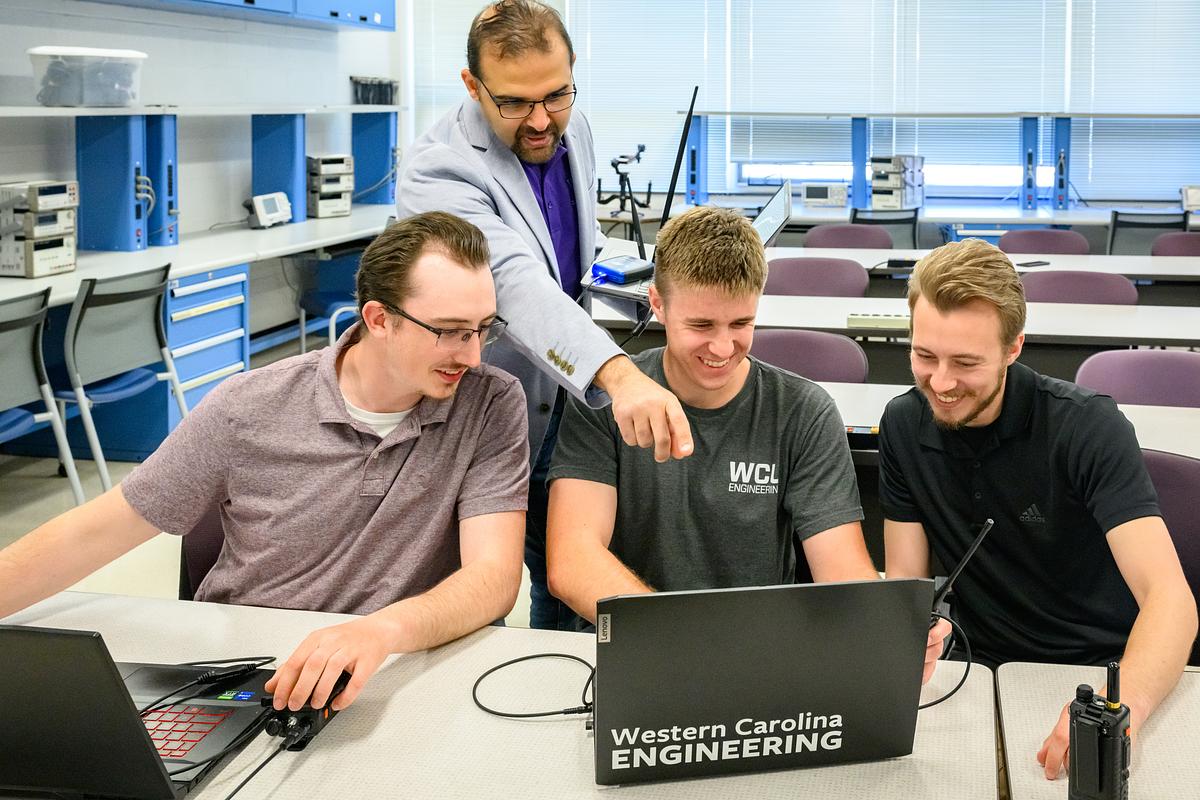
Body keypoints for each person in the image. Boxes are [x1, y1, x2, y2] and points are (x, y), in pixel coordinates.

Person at [0, 212, 530, 713]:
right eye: (450, 331)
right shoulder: (247, 408)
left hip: (399, 665)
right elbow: (94, 533)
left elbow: (493, 578)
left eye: (485, 328)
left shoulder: (489, 402)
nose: (474, 355)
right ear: (379, 319)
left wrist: (381, 630)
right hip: (255, 669)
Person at [545, 205, 949, 682]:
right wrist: (688, 642)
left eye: (741, 324)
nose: (722, 349)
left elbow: (841, 571)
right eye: (701, 326)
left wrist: (887, 629)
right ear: (656, 303)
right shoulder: (608, 401)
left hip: (760, 660)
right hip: (637, 651)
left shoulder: (802, 411)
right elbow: (571, 561)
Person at [397, 0, 694, 630]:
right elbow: (512, 280)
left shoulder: (570, 126)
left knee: (561, 582)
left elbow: (566, 256)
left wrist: (649, 287)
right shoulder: (439, 169)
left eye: (556, 95)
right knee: (472, 607)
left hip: (561, 399)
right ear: (472, 86)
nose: (540, 121)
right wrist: (616, 373)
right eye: (514, 103)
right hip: (471, 419)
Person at [879, 238, 1198, 778]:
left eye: (966, 362)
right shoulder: (903, 425)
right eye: (924, 355)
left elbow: (1170, 599)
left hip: (1099, 674)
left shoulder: (1086, 427)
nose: (941, 382)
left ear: (1013, 348)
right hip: (977, 674)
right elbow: (908, 586)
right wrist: (911, 630)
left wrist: (1117, 710)